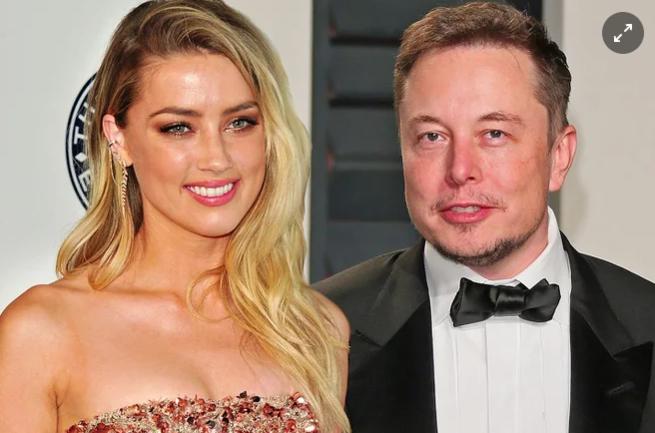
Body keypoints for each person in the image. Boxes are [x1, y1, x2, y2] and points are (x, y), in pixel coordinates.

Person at [0, 1, 350, 432]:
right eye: (178, 128)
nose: (216, 158)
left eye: (240, 123)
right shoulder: (41, 332)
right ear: (119, 138)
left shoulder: (315, 329)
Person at [316, 2, 655, 433]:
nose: (460, 170)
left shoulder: (648, 324)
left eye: (494, 133)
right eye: (432, 136)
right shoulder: (314, 333)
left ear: (559, 156)